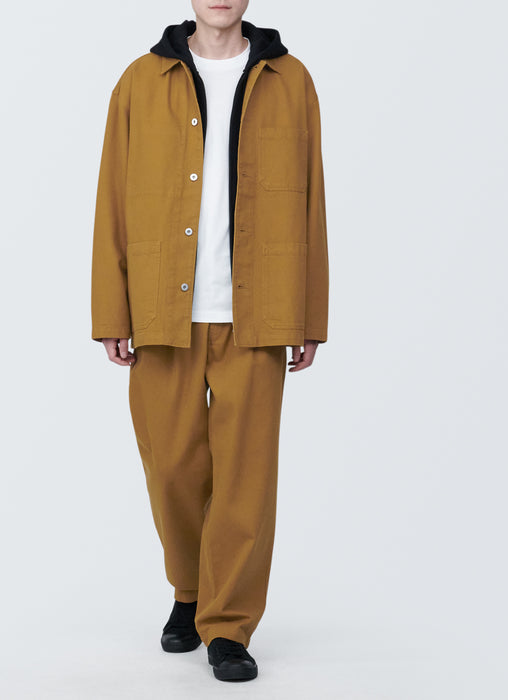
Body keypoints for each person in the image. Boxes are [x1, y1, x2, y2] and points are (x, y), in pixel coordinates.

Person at [91, 0, 328, 683]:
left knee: (246, 481)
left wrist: (310, 316)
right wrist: (112, 309)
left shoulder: (291, 79)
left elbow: (311, 196)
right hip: (162, 310)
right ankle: (190, 589)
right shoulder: (140, 80)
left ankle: (227, 625)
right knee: (171, 469)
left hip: (260, 310)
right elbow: (112, 195)